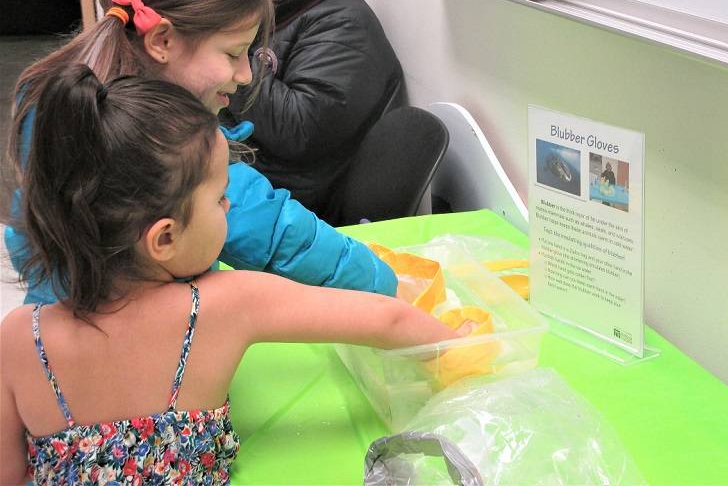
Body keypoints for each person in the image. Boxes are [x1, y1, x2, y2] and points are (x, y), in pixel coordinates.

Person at [0, 67, 461, 483]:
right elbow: (389, 319)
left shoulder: (19, 338)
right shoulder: (225, 305)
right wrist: (461, 349)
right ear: (164, 238)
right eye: (220, 197)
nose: (228, 206)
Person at [4, 0, 398, 305]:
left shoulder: (60, 94)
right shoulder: (153, 135)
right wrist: (382, 281)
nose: (246, 75)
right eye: (233, 53)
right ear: (162, 41)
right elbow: (273, 231)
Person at [223, 0, 405, 225]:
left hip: (302, 210)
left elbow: (297, 131)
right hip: (261, 186)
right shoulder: (276, 12)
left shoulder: (345, 22)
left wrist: (229, 53)